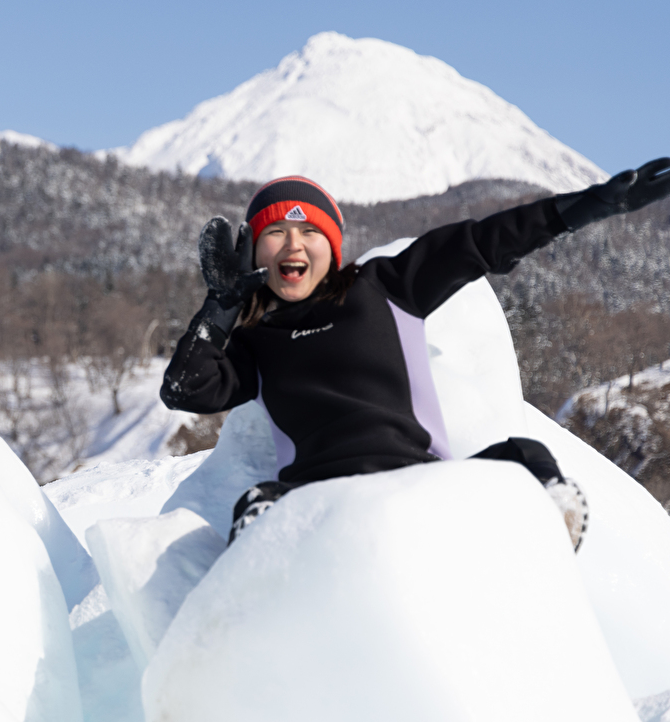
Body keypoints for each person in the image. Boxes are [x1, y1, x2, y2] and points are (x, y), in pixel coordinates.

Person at [161, 162, 670, 548]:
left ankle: (539, 550)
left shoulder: (384, 286)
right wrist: (222, 304)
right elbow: (186, 389)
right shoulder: (255, 339)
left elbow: (486, 241)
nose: (294, 244)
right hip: (312, 498)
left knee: (524, 456)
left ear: (332, 247)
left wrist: (593, 205)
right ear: (254, 254)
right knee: (255, 506)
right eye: (276, 233)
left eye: (310, 231)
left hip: (420, 479)